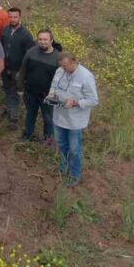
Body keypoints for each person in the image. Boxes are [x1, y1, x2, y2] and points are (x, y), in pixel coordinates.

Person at [48, 52, 99, 185]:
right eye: (61, 67)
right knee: (61, 144)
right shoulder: (60, 71)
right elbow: (54, 86)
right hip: (59, 117)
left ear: (74, 62)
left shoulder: (86, 76)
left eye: (65, 66)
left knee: (75, 149)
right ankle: (63, 167)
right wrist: (51, 95)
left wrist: (75, 103)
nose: (63, 69)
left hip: (75, 121)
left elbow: (93, 100)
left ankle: (74, 174)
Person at [17, 29, 60, 143]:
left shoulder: (58, 58)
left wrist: (56, 95)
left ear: (51, 40)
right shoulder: (31, 52)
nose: (42, 42)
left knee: (48, 119)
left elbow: (61, 80)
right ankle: (28, 136)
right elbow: (23, 71)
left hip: (48, 95)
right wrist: (20, 88)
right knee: (30, 115)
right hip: (30, 92)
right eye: (40, 39)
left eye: (45, 39)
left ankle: (48, 140)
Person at [0, 7, 34, 125]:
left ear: (20, 18)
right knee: (7, 90)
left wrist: (23, 72)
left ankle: (14, 117)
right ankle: (8, 110)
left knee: (15, 93)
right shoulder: (5, 30)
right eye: (10, 17)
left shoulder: (26, 35)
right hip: (5, 67)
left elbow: (29, 55)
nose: (12, 19)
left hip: (18, 70)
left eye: (15, 17)